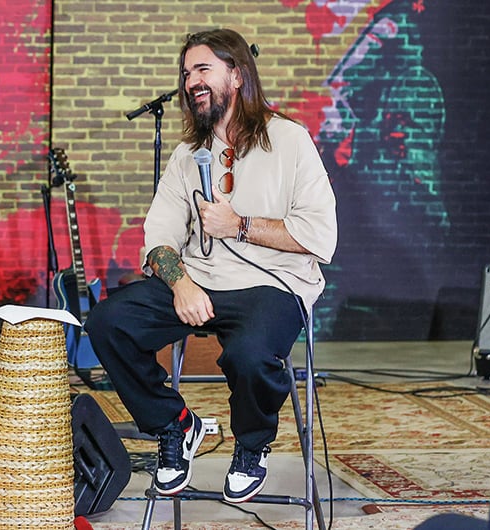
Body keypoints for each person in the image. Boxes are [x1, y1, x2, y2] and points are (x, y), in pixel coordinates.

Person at [85, 28, 337, 504]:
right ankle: (175, 425)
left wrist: (240, 224)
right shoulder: (186, 158)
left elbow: (320, 235)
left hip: (275, 284)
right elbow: (158, 238)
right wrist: (180, 284)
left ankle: (252, 443)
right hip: (200, 282)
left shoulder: (290, 140)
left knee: (249, 356)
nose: (191, 81)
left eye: (203, 69)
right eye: (186, 73)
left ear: (237, 75)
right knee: (108, 323)